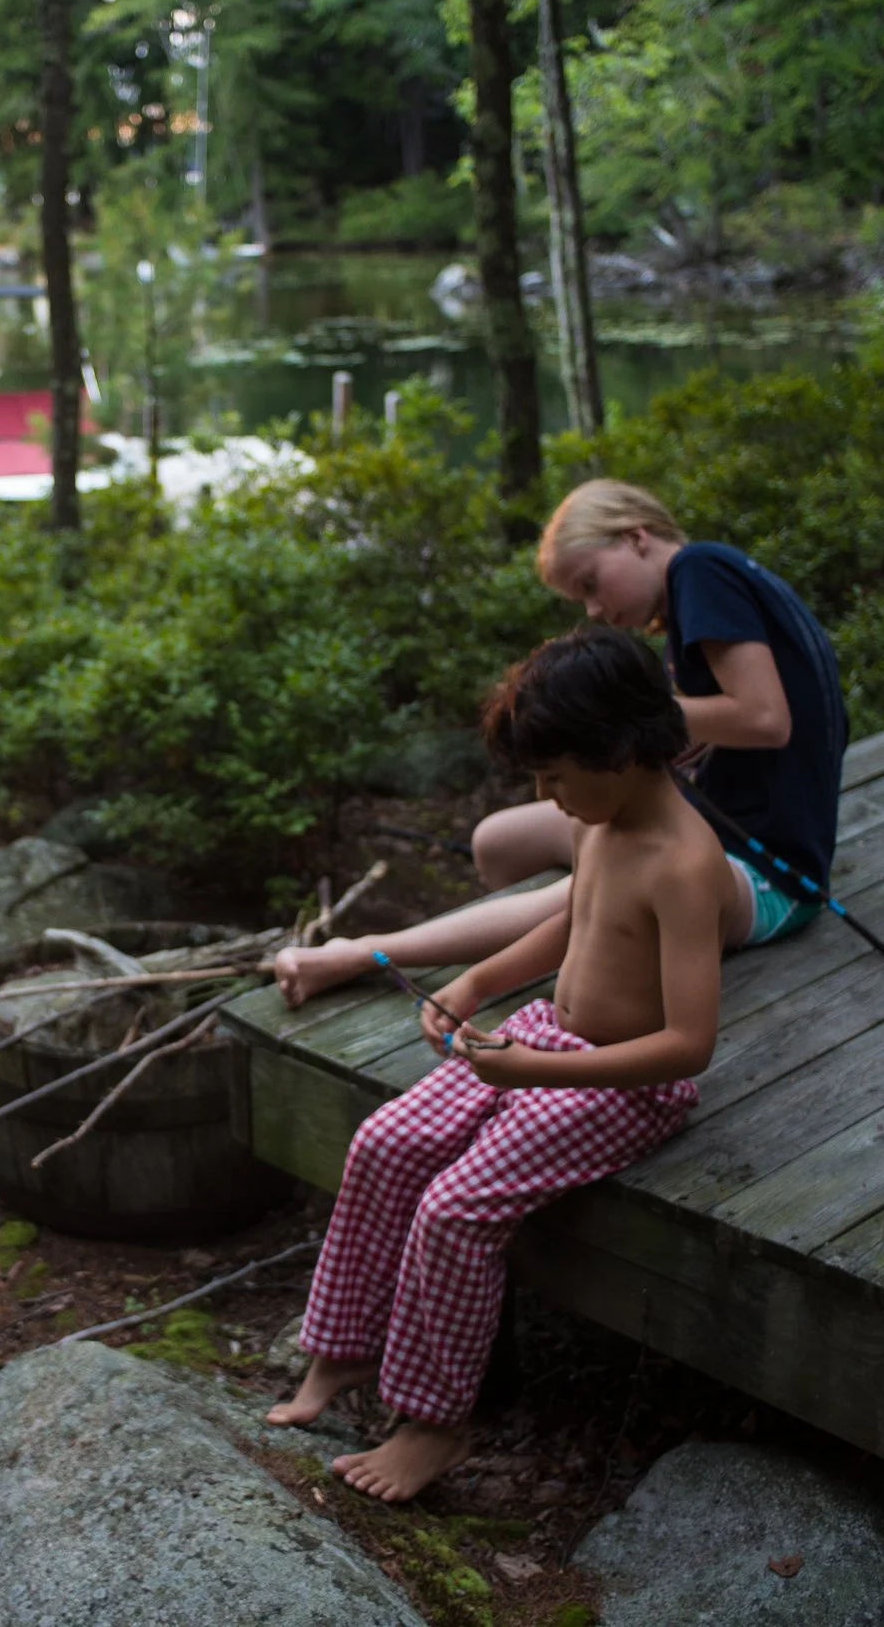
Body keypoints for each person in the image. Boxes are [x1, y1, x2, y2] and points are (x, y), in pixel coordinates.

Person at [264, 626, 731, 1501]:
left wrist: (536, 1074)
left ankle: (437, 1420)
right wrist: (477, 980)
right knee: (387, 1138)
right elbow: (572, 926)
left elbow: (688, 1044)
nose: (548, 796)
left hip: (626, 1084)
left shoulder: (684, 861)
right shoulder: (601, 817)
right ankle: (351, 1345)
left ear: (626, 750)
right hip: (548, 1037)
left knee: (455, 1206)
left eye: (556, 775)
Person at [272, 478, 847, 1005]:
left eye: (591, 584)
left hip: (768, 874)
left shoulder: (699, 570)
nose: (595, 609)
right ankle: (593, 935)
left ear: (636, 538)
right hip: (712, 829)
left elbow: (766, 718)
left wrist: (627, 716)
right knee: (499, 841)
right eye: (580, 600)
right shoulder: (703, 591)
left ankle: (366, 952)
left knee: (598, 887)